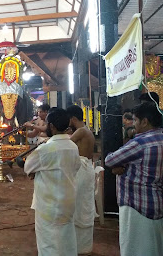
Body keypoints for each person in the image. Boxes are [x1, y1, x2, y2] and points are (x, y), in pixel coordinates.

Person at [105, 103, 163, 256]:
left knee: (135, 247)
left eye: (136, 120)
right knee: (154, 246)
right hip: (157, 202)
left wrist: (124, 167)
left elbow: (110, 160)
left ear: (145, 122)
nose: (134, 124)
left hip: (137, 203)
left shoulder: (140, 143)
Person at [24, 108, 81, 256]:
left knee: (48, 241)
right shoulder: (73, 147)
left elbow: (28, 167)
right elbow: (75, 168)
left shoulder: (46, 149)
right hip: (68, 202)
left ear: (53, 127)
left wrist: (36, 173)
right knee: (66, 238)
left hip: (49, 205)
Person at [67, 105, 96, 255]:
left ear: (73, 118)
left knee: (78, 206)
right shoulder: (87, 130)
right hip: (87, 169)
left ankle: (77, 247)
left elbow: (67, 145)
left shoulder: (80, 131)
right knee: (84, 204)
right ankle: (83, 246)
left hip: (82, 170)